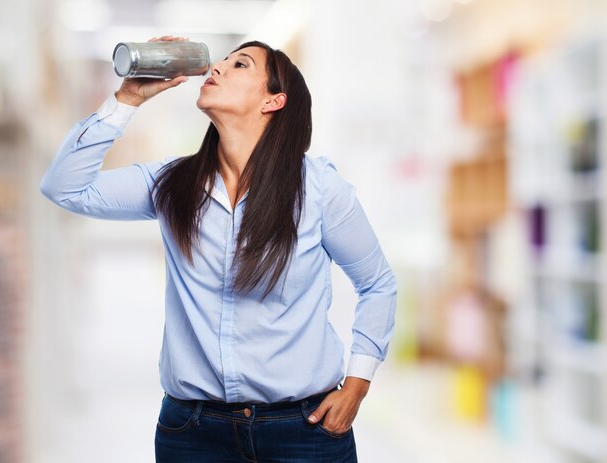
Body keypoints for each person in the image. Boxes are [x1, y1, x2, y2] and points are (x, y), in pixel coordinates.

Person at [40, 36, 397, 463]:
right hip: (192, 434)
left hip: (303, 431)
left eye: (240, 65)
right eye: (222, 61)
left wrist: (358, 382)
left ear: (273, 101)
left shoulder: (318, 189)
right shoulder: (171, 185)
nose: (218, 67)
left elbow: (377, 284)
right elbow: (64, 187)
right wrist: (128, 99)